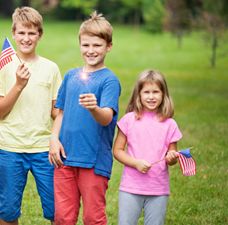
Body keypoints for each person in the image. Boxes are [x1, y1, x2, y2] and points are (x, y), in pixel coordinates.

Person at [0, 6, 62, 225]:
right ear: (13, 34)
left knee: (57, 209)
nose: (26, 38)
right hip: (11, 148)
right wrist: (19, 85)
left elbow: (55, 111)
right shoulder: (2, 66)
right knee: (9, 211)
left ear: (40, 35)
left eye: (32, 33)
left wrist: (75, 112)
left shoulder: (51, 68)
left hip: (43, 149)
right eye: (21, 32)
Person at [49, 11, 121, 225]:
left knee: (93, 217)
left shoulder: (109, 80)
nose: (91, 51)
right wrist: (54, 138)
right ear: (80, 45)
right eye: (86, 45)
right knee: (63, 217)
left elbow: (107, 118)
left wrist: (94, 108)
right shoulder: (71, 76)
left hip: (93, 161)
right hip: (65, 158)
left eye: (97, 45)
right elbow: (60, 112)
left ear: (108, 46)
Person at [113, 70, 182, 225]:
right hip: (131, 188)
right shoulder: (129, 120)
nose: (151, 97)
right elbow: (117, 151)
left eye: (156, 92)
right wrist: (135, 163)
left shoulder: (170, 124)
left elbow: (172, 156)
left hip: (158, 189)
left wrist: (172, 158)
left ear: (164, 95)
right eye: (146, 92)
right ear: (139, 95)